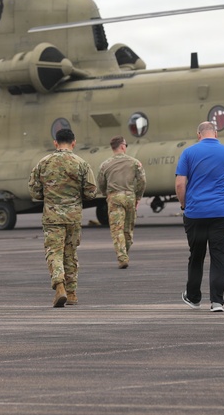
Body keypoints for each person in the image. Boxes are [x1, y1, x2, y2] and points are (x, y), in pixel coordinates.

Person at [175, 121, 224, 312]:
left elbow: (180, 184)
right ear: (216, 134)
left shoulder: (188, 153)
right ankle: (217, 302)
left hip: (195, 212)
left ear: (198, 134)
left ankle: (194, 297)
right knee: (219, 255)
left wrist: (184, 204)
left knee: (196, 256)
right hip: (221, 213)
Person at [29, 128, 98, 307]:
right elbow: (91, 192)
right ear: (73, 143)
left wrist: (50, 195)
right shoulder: (81, 163)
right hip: (73, 216)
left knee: (54, 252)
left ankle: (59, 286)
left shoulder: (43, 163)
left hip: (52, 216)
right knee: (71, 253)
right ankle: (72, 292)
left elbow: (34, 191)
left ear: (55, 143)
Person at [96, 135, 147, 268]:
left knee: (116, 229)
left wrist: (106, 194)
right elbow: (142, 181)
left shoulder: (105, 165)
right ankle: (126, 253)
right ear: (123, 146)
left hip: (114, 198)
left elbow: (101, 183)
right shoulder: (134, 162)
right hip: (130, 197)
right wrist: (138, 197)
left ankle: (122, 257)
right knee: (128, 229)